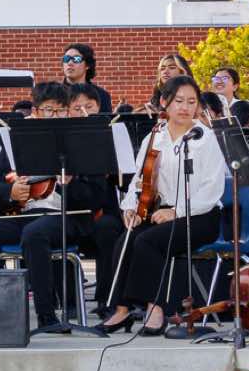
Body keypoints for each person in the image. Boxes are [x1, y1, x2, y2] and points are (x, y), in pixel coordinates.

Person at [0, 82, 113, 333]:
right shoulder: (18, 141)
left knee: (35, 233)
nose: (55, 116)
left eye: (60, 110)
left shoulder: (83, 141)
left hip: (67, 217)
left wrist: (69, 184)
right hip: (23, 215)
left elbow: (96, 197)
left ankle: (46, 316)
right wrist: (10, 192)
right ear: (36, 111)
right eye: (48, 110)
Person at [95, 76, 225, 336]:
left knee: (147, 242)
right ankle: (121, 310)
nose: (185, 107)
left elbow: (211, 190)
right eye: (179, 101)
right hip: (161, 212)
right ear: (165, 102)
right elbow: (139, 180)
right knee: (126, 239)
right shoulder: (154, 137)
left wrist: (176, 211)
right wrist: (130, 208)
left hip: (201, 215)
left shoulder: (206, 138)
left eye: (191, 102)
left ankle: (155, 309)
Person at [59, 42, 112, 112]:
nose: (70, 63)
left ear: (87, 65)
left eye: (76, 59)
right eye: (66, 58)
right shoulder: (54, 94)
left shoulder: (101, 95)